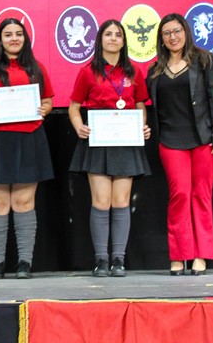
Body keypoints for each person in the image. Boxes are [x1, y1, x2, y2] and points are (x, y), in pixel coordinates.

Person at [0, 17, 54, 279]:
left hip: (28, 138)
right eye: (8, 34)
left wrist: (44, 109)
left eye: (18, 34)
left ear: (25, 38)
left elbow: (48, 101)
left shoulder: (36, 68)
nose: (14, 38)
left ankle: (25, 263)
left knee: (24, 202)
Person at [146, 13, 213, 276]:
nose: (172, 37)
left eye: (177, 31)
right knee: (180, 195)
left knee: (201, 195)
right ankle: (179, 256)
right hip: (171, 141)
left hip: (205, 140)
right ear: (161, 38)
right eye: (167, 33)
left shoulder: (204, 60)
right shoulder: (154, 71)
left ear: (186, 32)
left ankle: (201, 256)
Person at [68, 19, 151, 278]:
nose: (113, 38)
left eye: (118, 35)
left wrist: (142, 127)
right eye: (108, 34)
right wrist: (79, 127)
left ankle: (118, 260)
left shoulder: (134, 71)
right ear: (100, 40)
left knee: (121, 201)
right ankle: (101, 260)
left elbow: (141, 105)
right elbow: (74, 107)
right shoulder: (87, 72)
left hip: (126, 142)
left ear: (124, 41)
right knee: (101, 202)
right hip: (98, 143)